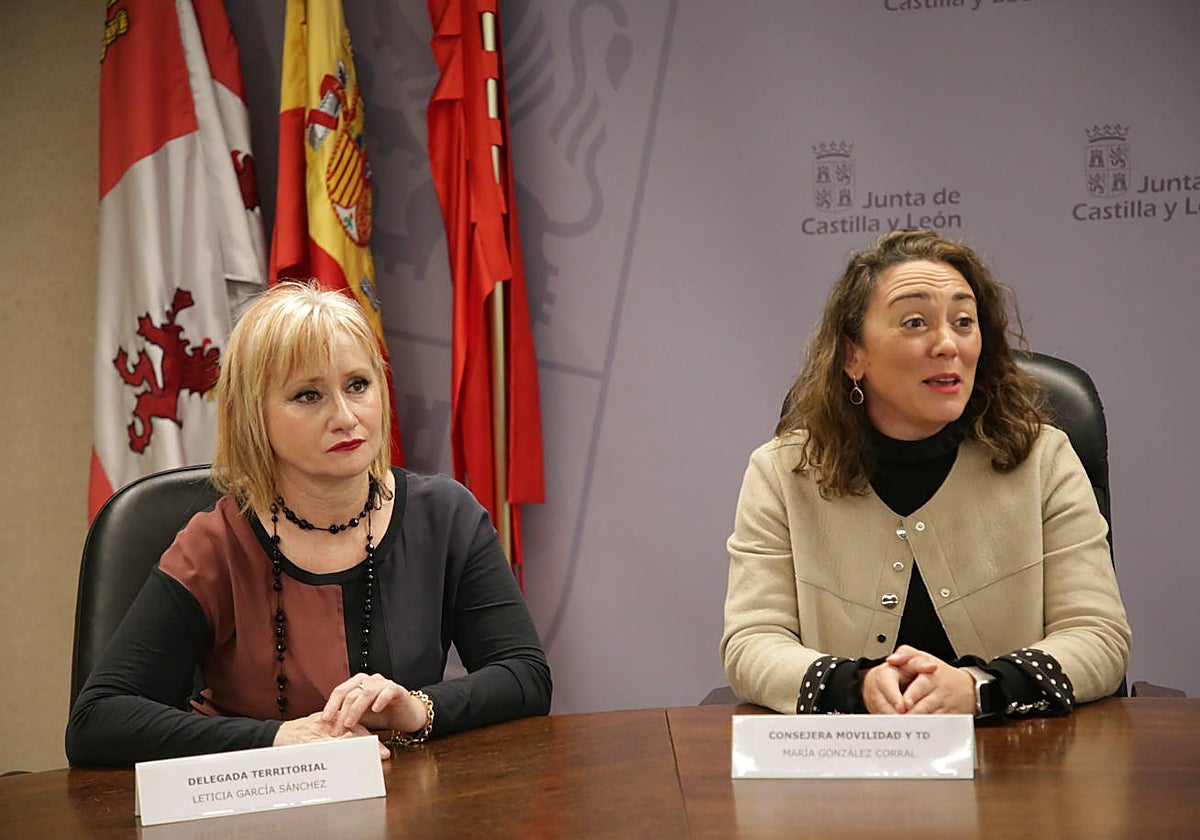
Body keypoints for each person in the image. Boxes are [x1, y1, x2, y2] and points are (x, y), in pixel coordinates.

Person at [67, 281, 551, 765]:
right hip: (255, 810)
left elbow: (525, 676)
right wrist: (278, 741)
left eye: (358, 385)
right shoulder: (214, 545)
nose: (345, 417)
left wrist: (418, 709)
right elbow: (99, 721)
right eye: (308, 395)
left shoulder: (444, 516)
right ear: (254, 416)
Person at [720, 229, 1130, 720]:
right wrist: (860, 686)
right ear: (853, 355)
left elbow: (1098, 637)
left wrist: (978, 688)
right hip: (847, 770)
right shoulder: (783, 472)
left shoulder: (1043, 458)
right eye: (915, 322)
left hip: (1020, 765)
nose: (947, 345)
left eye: (964, 321)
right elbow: (751, 643)